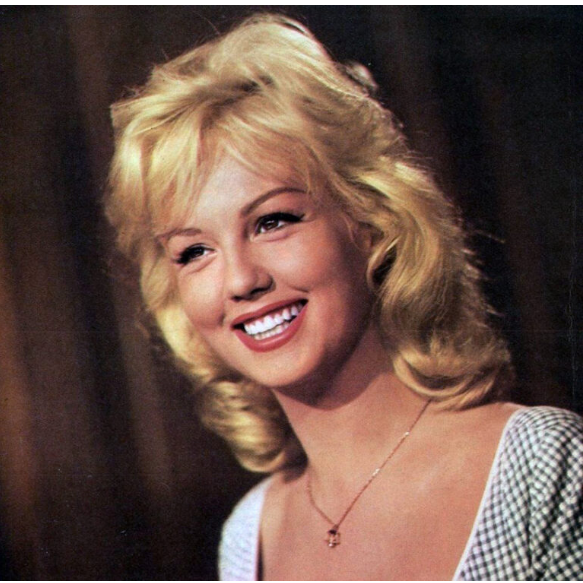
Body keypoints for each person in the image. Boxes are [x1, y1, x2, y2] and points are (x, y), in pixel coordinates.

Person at [106, 13, 583, 581]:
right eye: (194, 251)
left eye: (273, 221)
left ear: (371, 221)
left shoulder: (541, 468)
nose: (240, 281)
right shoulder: (248, 538)